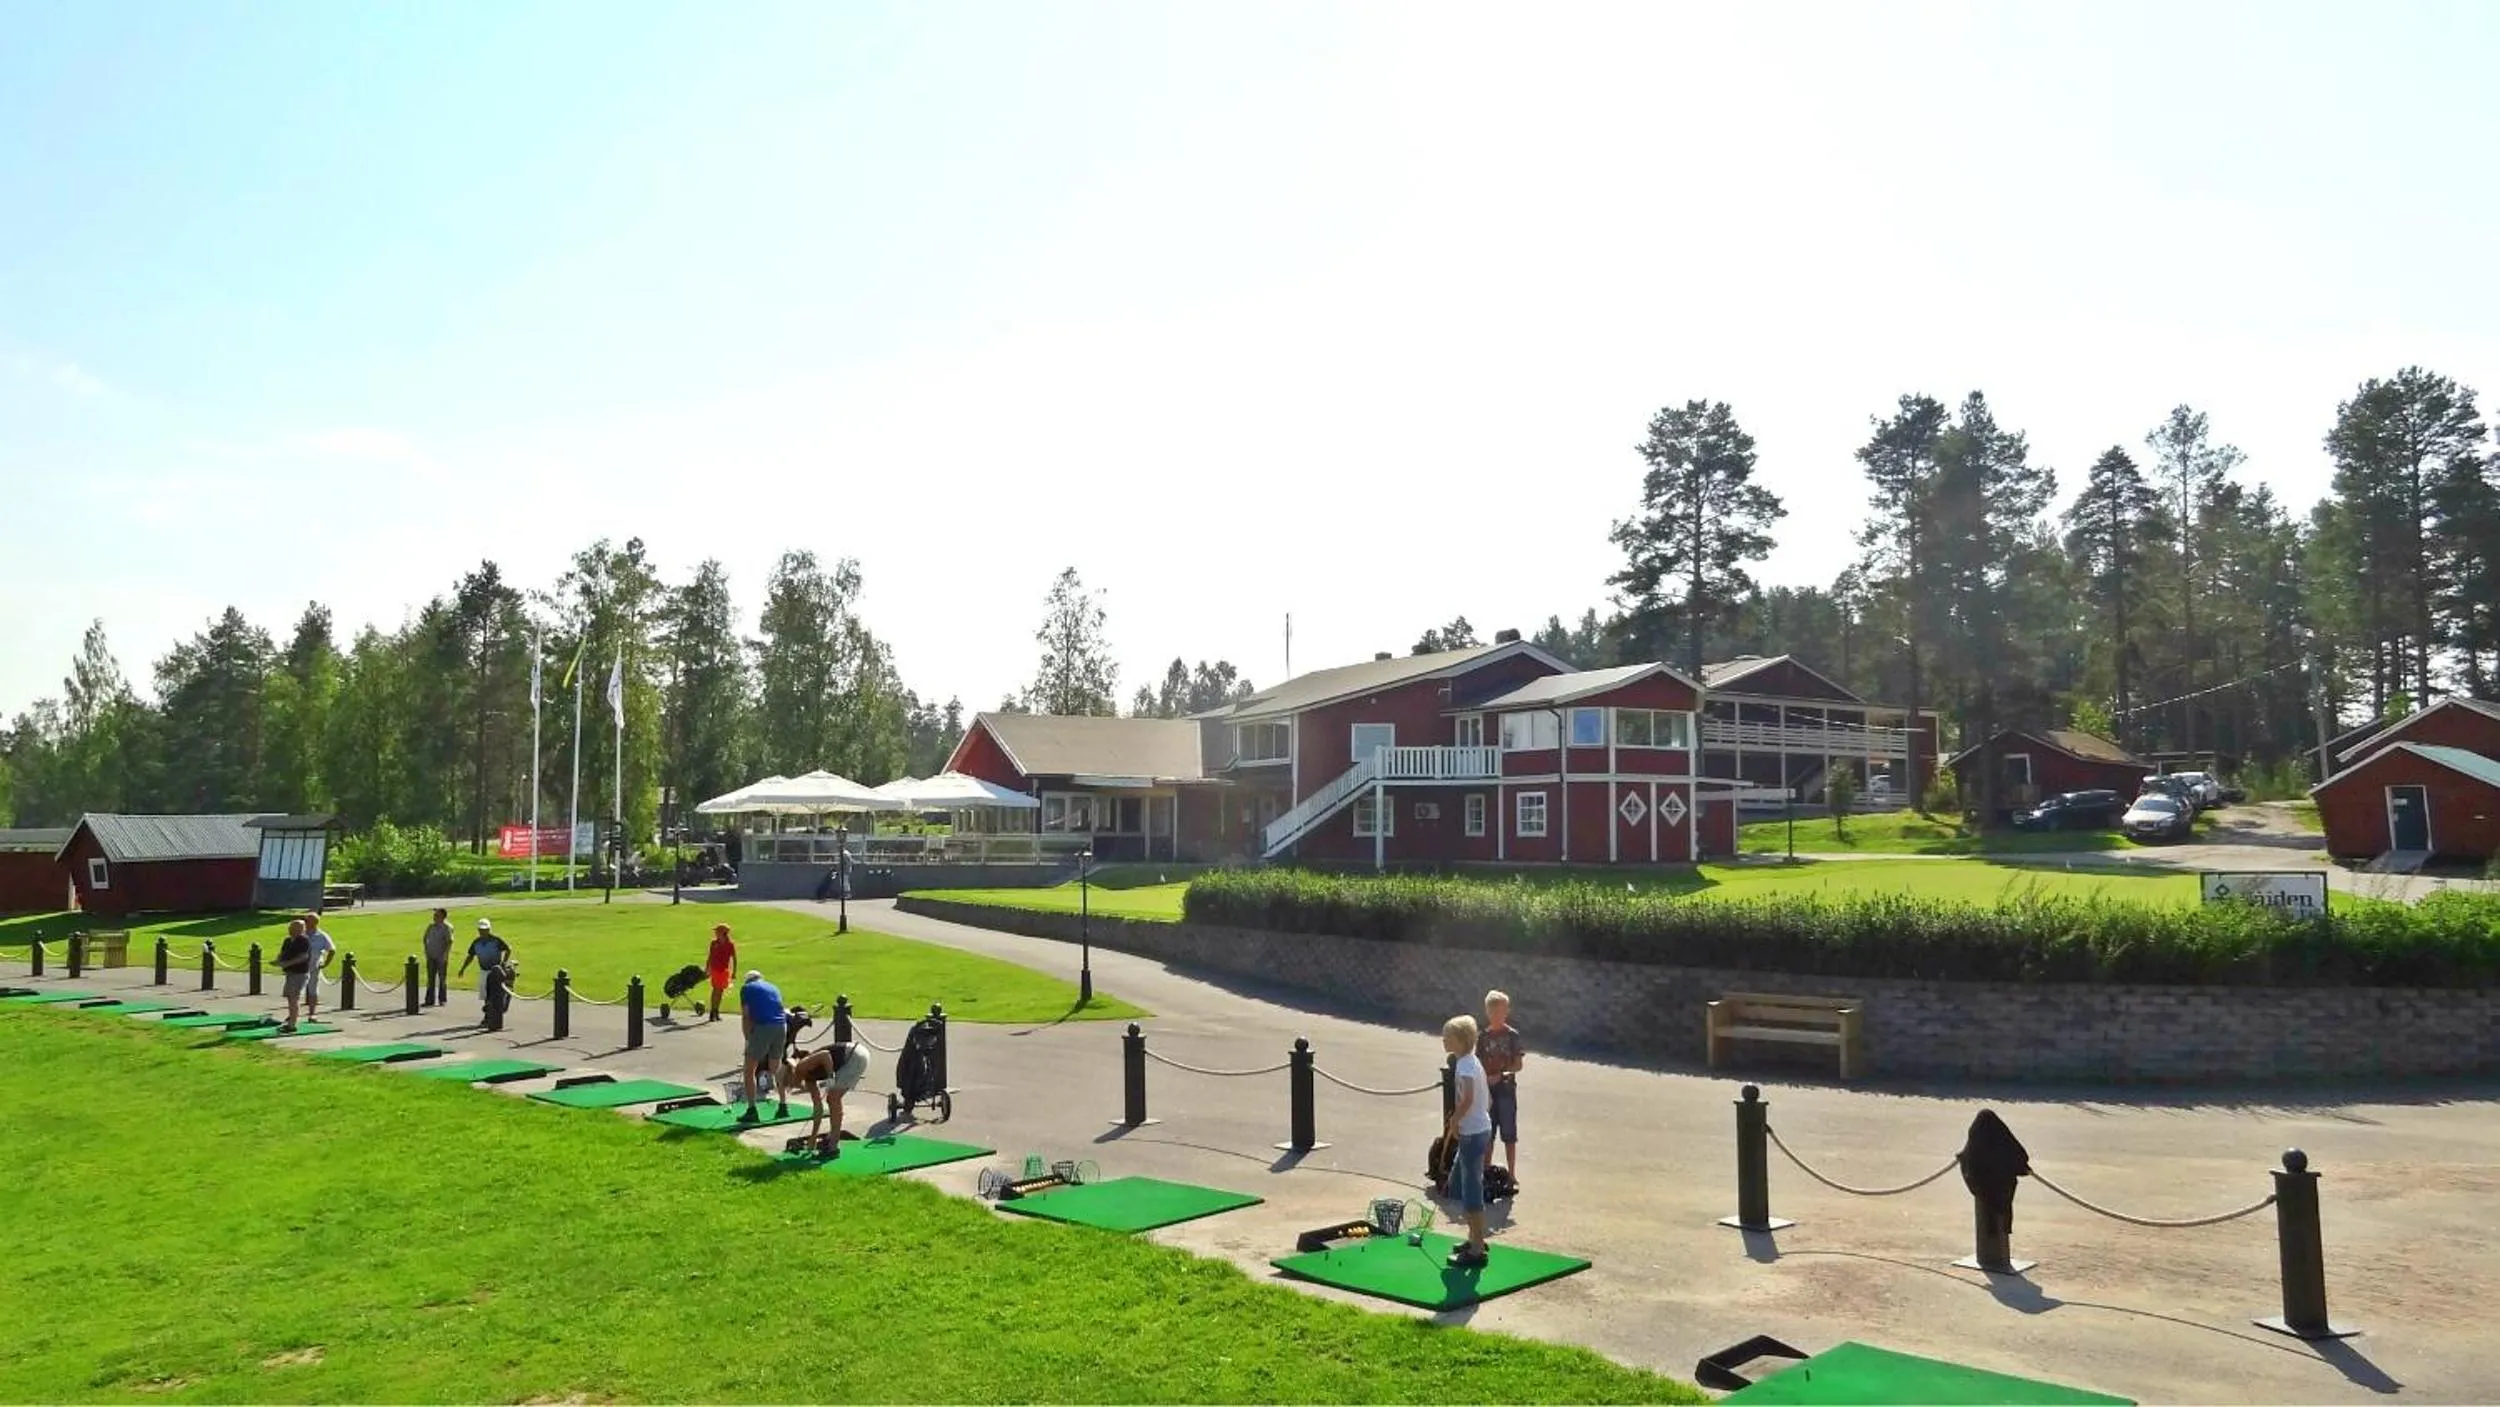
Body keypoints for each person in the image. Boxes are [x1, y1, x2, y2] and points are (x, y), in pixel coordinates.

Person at [1439, 1013, 1493, 1268]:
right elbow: (1486, 1099)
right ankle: (1475, 1237)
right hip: (1477, 1130)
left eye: (1447, 1036)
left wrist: (1454, 1121)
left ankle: (1477, 1249)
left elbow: (1468, 1097)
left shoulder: (1465, 1066)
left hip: (1473, 1134)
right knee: (1459, 1184)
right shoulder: (1470, 1061)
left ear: (1460, 1040)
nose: (1443, 1040)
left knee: (1472, 1191)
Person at [790, 1038, 872, 1155]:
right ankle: (832, 1139)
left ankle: (833, 1145)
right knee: (833, 1098)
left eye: (788, 1082)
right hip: (854, 1058)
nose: (792, 1085)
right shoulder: (809, 1080)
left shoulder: (802, 1066)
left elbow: (825, 1055)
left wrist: (830, 1076)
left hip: (854, 1055)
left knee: (833, 1098)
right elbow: (818, 1109)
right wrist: (813, 1137)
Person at [1477, 989, 1526, 1183]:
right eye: (1494, 1011)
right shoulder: (1483, 1037)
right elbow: (1478, 1062)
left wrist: (1501, 1075)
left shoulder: (1513, 1036)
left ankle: (1512, 1172)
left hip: (1505, 1090)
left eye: (1502, 1011)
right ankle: (1485, 1170)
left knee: (1509, 1132)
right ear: (1488, 1012)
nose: (1498, 1015)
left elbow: (1518, 1065)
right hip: (1487, 1090)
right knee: (1488, 1131)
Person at [737, 968, 790, 1123]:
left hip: (763, 1027)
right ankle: (783, 1106)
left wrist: (747, 1038)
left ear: (747, 980)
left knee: (749, 1070)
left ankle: (752, 1110)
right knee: (776, 1067)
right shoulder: (773, 987)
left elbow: (746, 1015)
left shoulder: (746, 989)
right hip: (781, 1026)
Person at [457, 918, 513, 1026]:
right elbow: (470, 956)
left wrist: (503, 962)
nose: (483, 932)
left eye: (485, 929)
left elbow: (508, 949)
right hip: (483, 971)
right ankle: (489, 1016)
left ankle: (490, 1017)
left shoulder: (496, 940)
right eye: (481, 930)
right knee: (485, 996)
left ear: (489, 929)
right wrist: (463, 968)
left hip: (495, 973)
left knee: (493, 995)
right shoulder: (476, 942)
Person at [275, 918, 312, 1033]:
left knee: (294, 998)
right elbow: (282, 953)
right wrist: (278, 960)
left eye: (293, 927)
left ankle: (292, 1025)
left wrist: (287, 963)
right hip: (290, 973)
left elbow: (303, 957)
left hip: (299, 973)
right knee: (290, 998)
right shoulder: (287, 940)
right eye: (290, 927)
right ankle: (291, 1019)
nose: (290, 929)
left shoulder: (303, 940)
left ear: (301, 929)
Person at [301, 911, 336, 1019]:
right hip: (299, 966)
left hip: (314, 966)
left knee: (313, 989)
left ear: (314, 923)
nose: (306, 922)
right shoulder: (301, 934)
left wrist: (326, 963)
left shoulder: (322, 936)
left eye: (308, 921)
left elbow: (332, 949)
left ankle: (312, 1013)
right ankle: (294, 1013)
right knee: (296, 991)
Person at [420, 908, 454, 1008]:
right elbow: (425, 938)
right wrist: (426, 950)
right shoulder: (431, 926)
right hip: (431, 956)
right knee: (430, 979)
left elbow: (450, 942)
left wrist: (445, 955)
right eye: (434, 915)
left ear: (443, 917)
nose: (434, 917)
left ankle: (442, 999)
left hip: (441, 957)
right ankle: (429, 1000)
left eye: (437, 916)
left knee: (442, 979)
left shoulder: (447, 927)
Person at [704, 923, 736, 1023]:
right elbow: (710, 956)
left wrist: (734, 972)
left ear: (723, 933)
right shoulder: (714, 943)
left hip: (724, 970)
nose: (716, 933)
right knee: (716, 989)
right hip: (715, 969)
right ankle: (712, 1012)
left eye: (717, 931)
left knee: (720, 991)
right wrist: (707, 968)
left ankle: (716, 1011)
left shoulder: (730, 945)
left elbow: (734, 958)